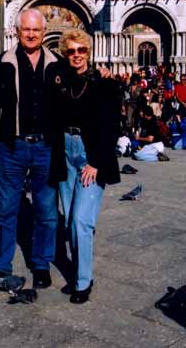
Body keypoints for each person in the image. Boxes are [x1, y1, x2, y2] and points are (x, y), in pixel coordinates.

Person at [0, 8, 63, 292]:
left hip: (46, 147)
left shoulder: (57, 64)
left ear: (43, 32)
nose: (30, 34)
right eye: (26, 29)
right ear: (17, 31)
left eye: (36, 30)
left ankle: (40, 265)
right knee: (3, 210)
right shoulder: (2, 63)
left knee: (47, 211)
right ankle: (1, 267)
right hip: (11, 146)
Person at [55, 29, 121, 303]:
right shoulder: (61, 81)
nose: (77, 55)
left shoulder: (103, 83)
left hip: (90, 153)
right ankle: (81, 272)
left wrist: (97, 161)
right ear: (65, 54)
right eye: (71, 51)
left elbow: (111, 126)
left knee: (82, 219)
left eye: (81, 50)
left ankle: (83, 281)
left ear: (88, 51)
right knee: (70, 220)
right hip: (65, 152)